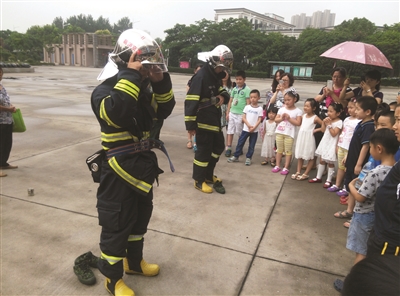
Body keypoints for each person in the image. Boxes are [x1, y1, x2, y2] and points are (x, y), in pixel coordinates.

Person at [90, 29, 176, 296]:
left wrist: (160, 81)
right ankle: (112, 279)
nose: (145, 68)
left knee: (139, 219)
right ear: (126, 60)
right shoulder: (104, 91)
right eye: (142, 61)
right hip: (117, 169)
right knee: (116, 224)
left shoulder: (140, 88)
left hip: (141, 166)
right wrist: (130, 74)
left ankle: (135, 263)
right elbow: (118, 113)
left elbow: (163, 110)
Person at [333, 128, 398, 292]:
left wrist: (350, 186)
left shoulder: (375, 173)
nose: (370, 150)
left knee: (360, 252)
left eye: (370, 147)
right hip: (377, 217)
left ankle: (353, 283)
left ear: (379, 149)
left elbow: (361, 197)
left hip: (363, 216)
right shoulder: (394, 170)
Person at [185, 45, 233, 194]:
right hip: (202, 121)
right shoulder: (201, 77)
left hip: (214, 120)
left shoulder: (214, 76)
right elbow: (191, 101)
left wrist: (222, 97)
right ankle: (199, 181)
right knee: (204, 151)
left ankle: (208, 175)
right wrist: (190, 125)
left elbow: (222, 91)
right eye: (221, 68)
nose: (222, 71)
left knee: (218, 147)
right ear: (214, 63)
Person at [333, 96, 377, 220]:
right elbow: (354, 143)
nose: (355, 111)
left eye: (357, 109)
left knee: (357, 187)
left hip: (358, 162)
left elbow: (365, 146)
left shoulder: (368, 126)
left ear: (367, 112)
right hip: (352, 159)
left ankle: (355, 215)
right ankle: (349, 210)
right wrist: (348, 156)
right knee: (352, 186)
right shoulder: (360, 123)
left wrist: (359, 164)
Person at [326, 99, 360, 196]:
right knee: (340, 167)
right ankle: (337, 184)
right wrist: (337, 145)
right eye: (348, 107)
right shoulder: (346, 119)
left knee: (348, 168)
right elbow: (342, 133)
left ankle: (346, 187)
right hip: (342, 146)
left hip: (350, 149)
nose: (349, 110)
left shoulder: (359, 121)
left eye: (352, 108)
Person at [309, 103, 343, 187]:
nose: (328, 113)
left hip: (332, 143)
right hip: (325, 142)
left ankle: (329, 180)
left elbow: (334, 134)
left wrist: (329, 125)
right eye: (328, 111)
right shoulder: (328, 119)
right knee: (322, 160)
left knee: (330, 161)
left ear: (338, 113)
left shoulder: (339, 122)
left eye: (331, 111)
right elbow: (323, 131)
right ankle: (318, 177)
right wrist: (324, 123)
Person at [227, 89, 263, 165]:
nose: (253, 99)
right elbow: (243, 117)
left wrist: (254, 127)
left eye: (255, 97)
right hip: (246, 129)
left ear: (258, 98)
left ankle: (248, 158)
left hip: (254, 131)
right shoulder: (247, 107)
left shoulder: (260, 109)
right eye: (251, 97)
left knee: (252, 145)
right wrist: (249, 125)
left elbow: (259, 119)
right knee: (240, 142)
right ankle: (236, 156)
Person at [271, 90, 303, 175]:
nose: (287, 102)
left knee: (288, 151)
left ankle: (286, 167)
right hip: (280, 132)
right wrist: (282, 118)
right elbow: (276, 120)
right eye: (285, 100)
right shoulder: (281, 109)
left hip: (289, 134)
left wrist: (289, 118)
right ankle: (277, 165)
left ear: (295, 99)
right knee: (279, 150)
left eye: (289, 100)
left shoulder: (298, 111)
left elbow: (298, 123)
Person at [293, 98, 324, 181]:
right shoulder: (303, 116)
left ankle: (306, 173)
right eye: (305, 106)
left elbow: (324, 126)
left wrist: (316, 130)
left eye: (308, 106)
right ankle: (298, 172)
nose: (305, 107)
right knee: (300, 155)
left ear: (313, 108)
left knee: (310, 156)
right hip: (301, 137)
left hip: (309, 138)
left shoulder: (315, 118)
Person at [225, 70, 251, 157]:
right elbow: (230, 101)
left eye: (240, 79)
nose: (238, 81)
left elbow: (248, 103)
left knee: (240, 133)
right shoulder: (234, 89)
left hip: (240, 114)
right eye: (237, 79)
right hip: (232, 113)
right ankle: (228, 147)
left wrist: (246, 116)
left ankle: (239, 148)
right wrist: (228, 112)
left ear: (244, 79)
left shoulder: (247, 90)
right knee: (230, 130)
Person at [0, 65, 18, 177]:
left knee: (6, 144)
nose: (0, 74)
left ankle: (3, 163)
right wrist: (8, 109)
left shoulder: (1, 86)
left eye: (1, 72)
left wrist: (11, 106)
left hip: (7, 120)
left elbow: (5, 100)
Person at [186, 64, 203, 149]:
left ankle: (196, 142)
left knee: (198, 125)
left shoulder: (203, 80)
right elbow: (188, 91)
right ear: (195, 71)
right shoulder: (192, 80)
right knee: (190, 122)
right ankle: (189, 140)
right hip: (191, 104)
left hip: (200, 106)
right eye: (198, 71)